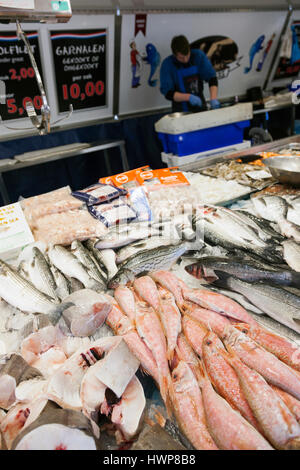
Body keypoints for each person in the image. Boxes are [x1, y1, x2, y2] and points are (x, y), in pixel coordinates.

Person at [160, 35, 220, 112]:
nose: (185, 60)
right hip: (180, 111)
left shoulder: (198, 56)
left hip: (201, 106)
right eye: (181, 58)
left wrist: (213, 98)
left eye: (187, 55)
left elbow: (212, 78)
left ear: (189, 49)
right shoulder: (167, 65)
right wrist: (188, 97)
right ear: (174, 55)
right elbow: (168, 93)